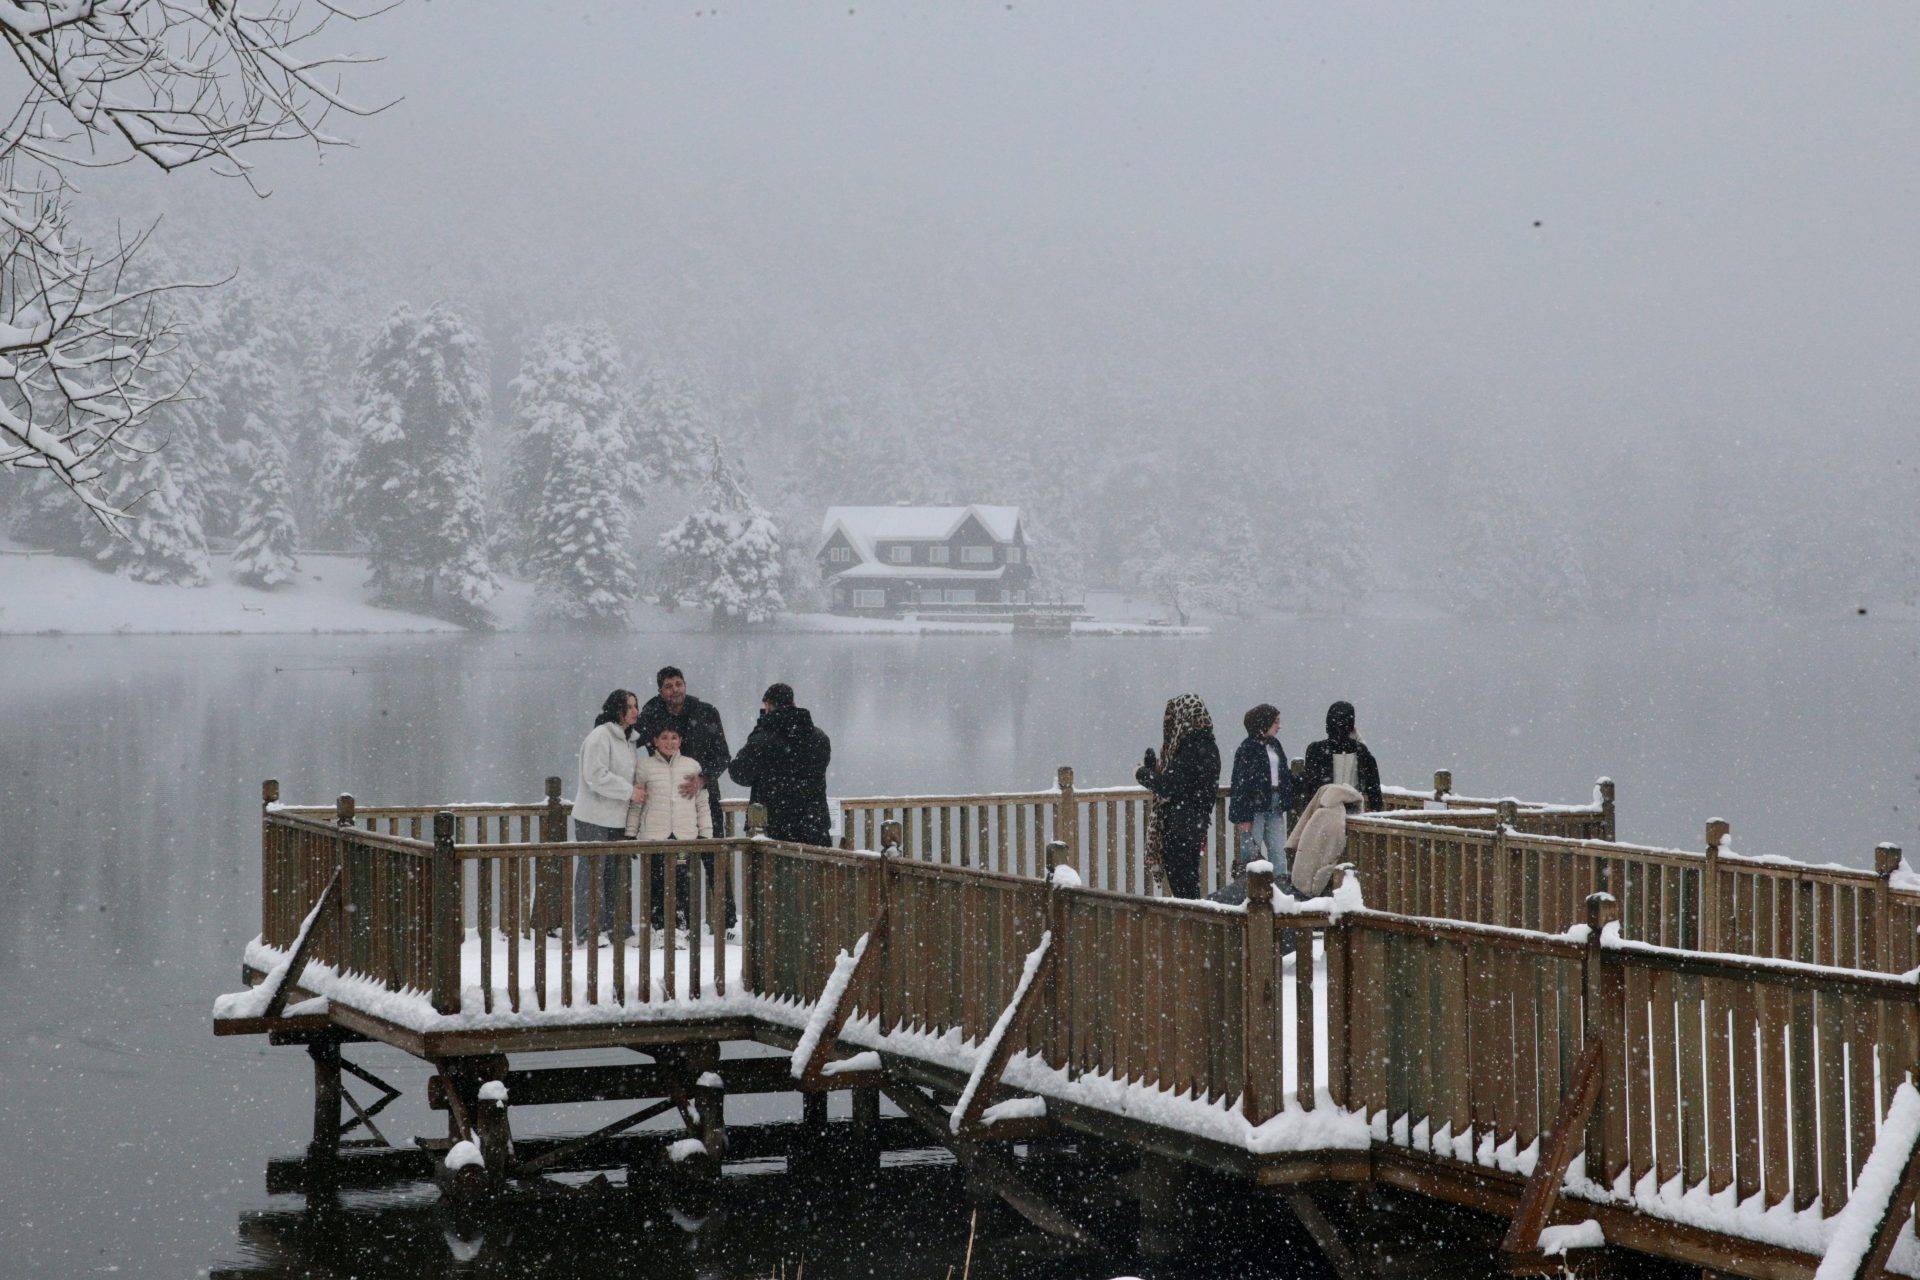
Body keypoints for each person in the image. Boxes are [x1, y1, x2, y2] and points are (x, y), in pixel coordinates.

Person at [570, 689, 643, 938]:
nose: (635, 711)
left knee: (616, 874)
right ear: (617, 709)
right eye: (630, 706)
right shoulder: (600, 736)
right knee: (592, 874)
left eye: (636, 706)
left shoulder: (629, 740)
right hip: (594, 817)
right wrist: (629, 791)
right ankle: (587, 929)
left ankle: (616, 926)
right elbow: (595, 775)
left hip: (617, 819)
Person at [1134, 693, 1221, 899]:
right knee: (1189, 881)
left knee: (1182, 886)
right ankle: (1195, 924)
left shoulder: (1190, 747)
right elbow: (1185, 782)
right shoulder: (1209, 746)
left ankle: (1192, 927)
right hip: (1197, 824)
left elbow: (1168, 786)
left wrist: (1142, 774)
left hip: (1180, 826)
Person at [727, 682, 833, 846]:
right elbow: (819, 765)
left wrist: (759, 729)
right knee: (816, 871)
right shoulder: (819, 737)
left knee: (773, 872)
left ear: (768, 704)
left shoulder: (763, 739)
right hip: (815, 828)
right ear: (793, 702)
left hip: (775, 832)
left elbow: (739, 773)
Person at [637, 666, 732, 835]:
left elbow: (723, 755)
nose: (675, 690)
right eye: (668, 686)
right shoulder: (652, 715)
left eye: (678, 684)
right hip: (663, 803)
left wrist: (703, 779)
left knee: (712, 851)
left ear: (685, 685)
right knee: (673, 857)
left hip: (704, 795)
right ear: (660, 692)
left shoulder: (706, 712)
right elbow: (628, 741)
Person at [639, 723, 713, 929]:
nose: (669, 742)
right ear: (655, 741)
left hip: (683, 836)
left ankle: (681, 925)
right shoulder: (644, 766)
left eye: (674, 737)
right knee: (656, 881)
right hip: (655, 837)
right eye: (664, 737)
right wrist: (630, 833)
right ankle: (658, 926)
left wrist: (706, 833)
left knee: (682, 880)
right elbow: (637, 803)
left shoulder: (692, 766)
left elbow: (702, 802)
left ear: (680, 741)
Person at [1228, 703, 1292, 882]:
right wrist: (1243, 815)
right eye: (1276, 722)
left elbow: (1283, 774)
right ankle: (1249, 890)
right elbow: (1240, 783)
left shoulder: (1275, 745)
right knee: (1251, 853)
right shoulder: (1247, 748)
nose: (1279, 726)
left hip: (1275, 805)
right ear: (1264, 723)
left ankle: (1280, 890)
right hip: (1254, 807)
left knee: (1278, 852)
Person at [1301, 701, 1383, 812]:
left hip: (1323, 809)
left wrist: (1307, 811)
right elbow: (1373, 786)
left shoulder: (1316, 749)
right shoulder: (1360, 750)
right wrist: (1376, 811)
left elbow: (1309, 786)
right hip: (1353, 809)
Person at [1285, 782, 1364, 897]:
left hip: (1301, 882)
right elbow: (1331, 857)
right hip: (1315, 887)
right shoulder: (1336, 819)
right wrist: (1314, 890)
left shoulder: (1320, 813)